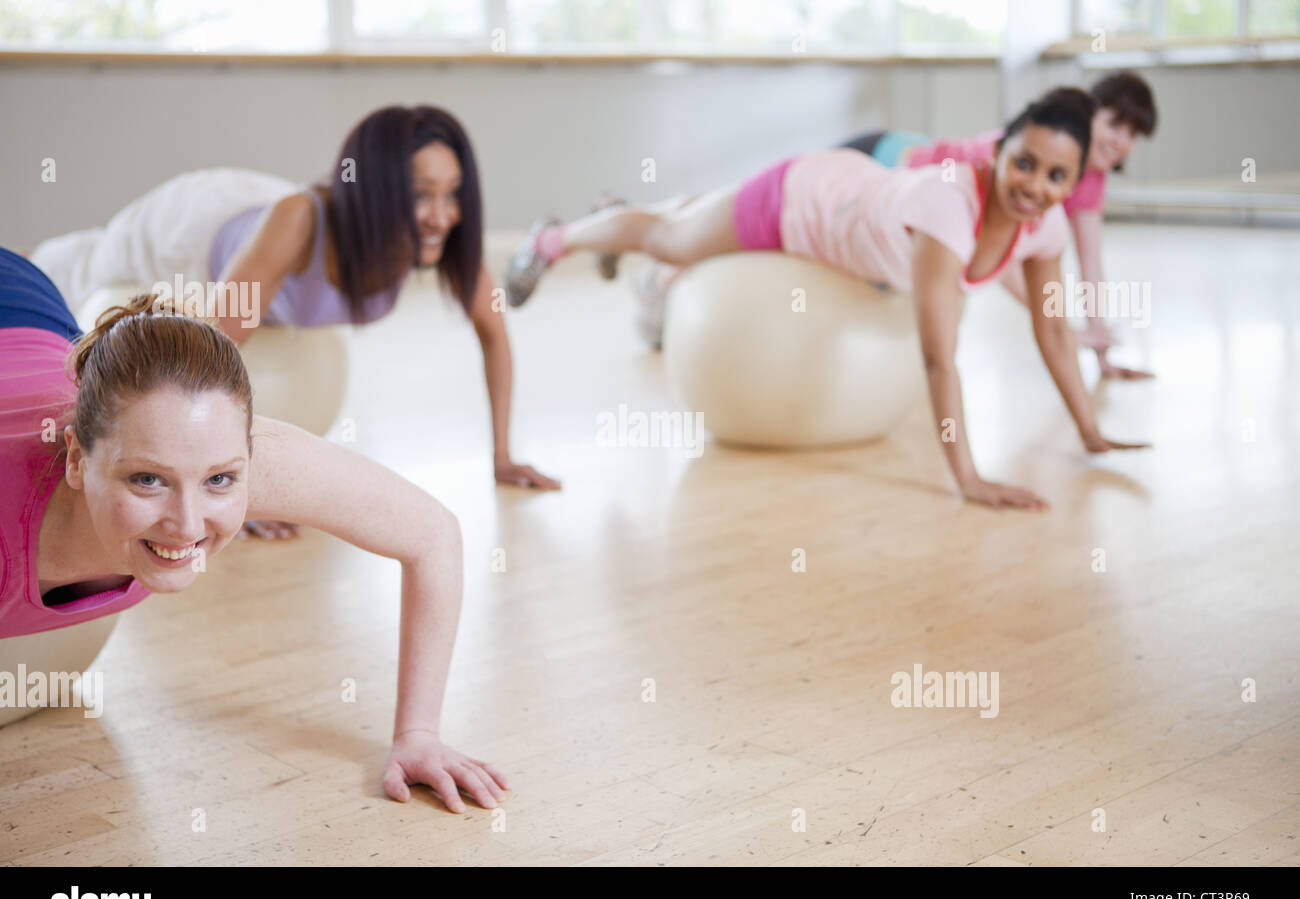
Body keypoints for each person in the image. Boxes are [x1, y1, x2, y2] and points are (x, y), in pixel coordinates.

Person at [0, 247, 506, 813]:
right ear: (75, 460)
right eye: (147, 480)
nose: (188, 525)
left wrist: (418, 734)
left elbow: (433, 534)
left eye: (219, 480)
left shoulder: (217, 446)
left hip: (30, 322)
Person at [504, 88, 1149, 510]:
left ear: (1074, 184)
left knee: (677, 222)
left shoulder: (1047, 227)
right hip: (804, 202)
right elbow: (937, 360)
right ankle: (552, 240)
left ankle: (615, 216)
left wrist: (1092, 433)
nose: (1035, 185)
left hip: (856, 199)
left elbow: (1054, 332)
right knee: (671, 238)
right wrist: (969, 480)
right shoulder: (950, 203)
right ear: (999, 150)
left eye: (1056, 175)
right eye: (1024, 162)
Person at [28, 104, 559, 544]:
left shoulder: (441, 242)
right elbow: (208, 361)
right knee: (77, 266)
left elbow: (493, 335)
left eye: (452, 194)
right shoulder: (298, 222)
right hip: (186, 232)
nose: (442, 215)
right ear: (377, 190)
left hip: (257, 225)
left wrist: (502, 458)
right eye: (421, 194)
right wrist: (235, 492)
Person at [841, 71, 1159, 379]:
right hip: (883, 158)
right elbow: (999, 261)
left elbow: (1090, 262)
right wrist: (1063, 329)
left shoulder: (1091, 179)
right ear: (1089, 116)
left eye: (1132, 134)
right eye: (1114, 125)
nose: (1121, 141)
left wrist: (1101, 352)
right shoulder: (1017, 155)